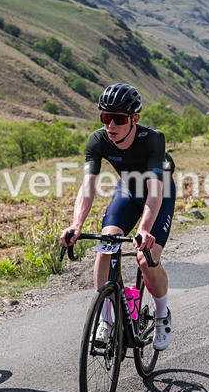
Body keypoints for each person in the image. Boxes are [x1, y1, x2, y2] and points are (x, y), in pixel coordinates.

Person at [60, 83, 175, 351]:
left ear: (134, 119)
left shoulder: (153, 139)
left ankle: (161, 314)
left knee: (146, 259)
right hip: (127, 190)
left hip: (159, 191)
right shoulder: (97, 140)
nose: (111, 125)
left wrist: (145, 229)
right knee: (106, 244)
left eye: (119, 119)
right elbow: (88, 188)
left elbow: (154, 194)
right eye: (105, 117)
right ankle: (106, 319)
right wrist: (76, 224)